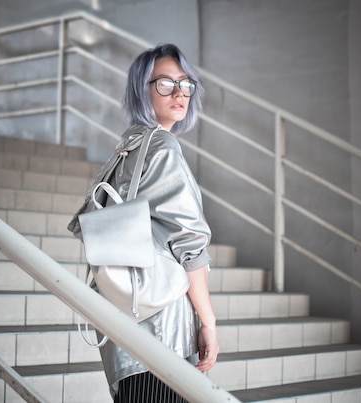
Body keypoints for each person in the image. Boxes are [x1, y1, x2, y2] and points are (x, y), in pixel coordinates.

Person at [68, 43, 219, 402]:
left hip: (125, 329)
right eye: (164, 84)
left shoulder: (129, 145)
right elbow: (189, 246)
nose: (179, 93)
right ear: (141, 89)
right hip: (161, 330)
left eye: (185, 83)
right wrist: (209, 323)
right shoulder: (162, 147)